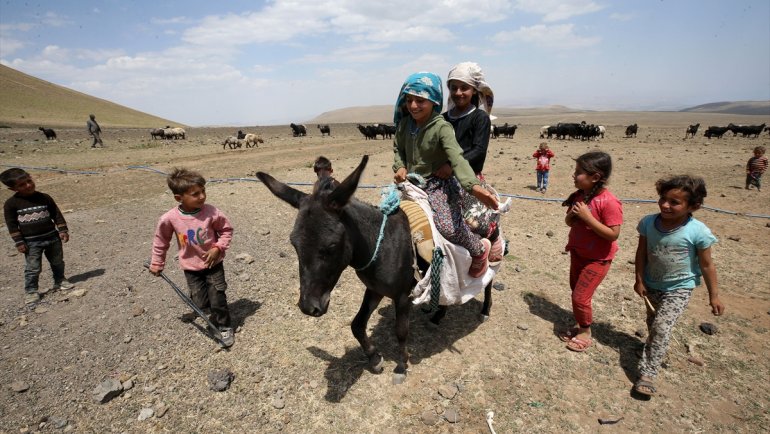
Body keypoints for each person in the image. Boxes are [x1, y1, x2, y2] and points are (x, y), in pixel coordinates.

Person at [392, 71, 498, 278]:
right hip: (409, 185)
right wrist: (400, 167)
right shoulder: (404, 124)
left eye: (420, 100)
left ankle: (478, 250)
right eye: (410, 100)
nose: (413, 106)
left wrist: (474, 188)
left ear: (433, 101)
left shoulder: (441, 127)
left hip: (435, 185)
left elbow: (457, 158)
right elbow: (399, 150)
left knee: (449, 228)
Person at [633, 175, 725, 397]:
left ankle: (648, 373)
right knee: (653, 322)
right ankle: (654, 347)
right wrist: (639, 279)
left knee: (662, 327)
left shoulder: (698, 231)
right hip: (652, 283)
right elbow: (641, 252)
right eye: (663, 199)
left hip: (680, 287)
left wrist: (714, 296)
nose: (665, 205)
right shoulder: (647, 223)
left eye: (674, 202)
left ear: (694, 206)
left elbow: (707, 264)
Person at [148, 168, 235, 347]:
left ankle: (224, 326)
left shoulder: (212, 212)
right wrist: (157, 262)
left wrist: (218, 247)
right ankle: (206, 308)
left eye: (203, 191)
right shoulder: (169, 218)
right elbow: (161, 240)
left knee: (218, 297)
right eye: (195, 194)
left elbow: (226, 231)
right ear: (179, 198)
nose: (202, 196)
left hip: (214, 264)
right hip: (191, 267)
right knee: (199, 300)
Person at [439, 62, 503, 264]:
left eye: (464, 88)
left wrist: (453, 166)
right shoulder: (442, 119)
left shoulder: (480, 118)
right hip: (441, 176)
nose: (458, 93)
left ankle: (493, 238)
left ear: (474, 90)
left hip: (468, 178)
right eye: (453, 87)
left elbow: (478, 151)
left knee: (473, 223)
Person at [559, 151, 623, 352]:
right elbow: (569, 221)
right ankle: (580, 324)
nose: (573, 175)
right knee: (575, 290)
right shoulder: (580, 196)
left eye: (578, 172)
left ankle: (585, 331)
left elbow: (613, 234)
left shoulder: (609, 201)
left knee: (580, 297)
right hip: (578, 253)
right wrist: (572, 217)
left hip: (597, 259)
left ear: (595, 177)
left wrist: (587, 218)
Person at [2, 168, 75, 305]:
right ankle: (31, 291)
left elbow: (56, 214)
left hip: (52, 237)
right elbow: (11, 225)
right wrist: (19, 242)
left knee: (57, 261)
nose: (28, 185)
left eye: (29, 181)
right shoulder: (11, 204)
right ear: (13, 189)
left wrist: (63, 230)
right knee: (33, 267)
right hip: (31, 242)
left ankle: (60, 280)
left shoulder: (44, 197)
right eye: (22, 185)